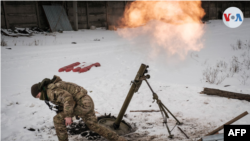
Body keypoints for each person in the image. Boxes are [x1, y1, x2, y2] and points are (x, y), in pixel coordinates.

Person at [31, 75, 127, 141]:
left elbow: (68, 99)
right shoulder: (50, 90)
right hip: (86, 102)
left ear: (40, 91)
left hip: (82, 104)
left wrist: (68, 116)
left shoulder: (51, 91)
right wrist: (64, 115)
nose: (39, 98)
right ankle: (119, 140)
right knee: (94, 126)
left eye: (38, 96)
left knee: (57, 119)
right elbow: (62, 104)